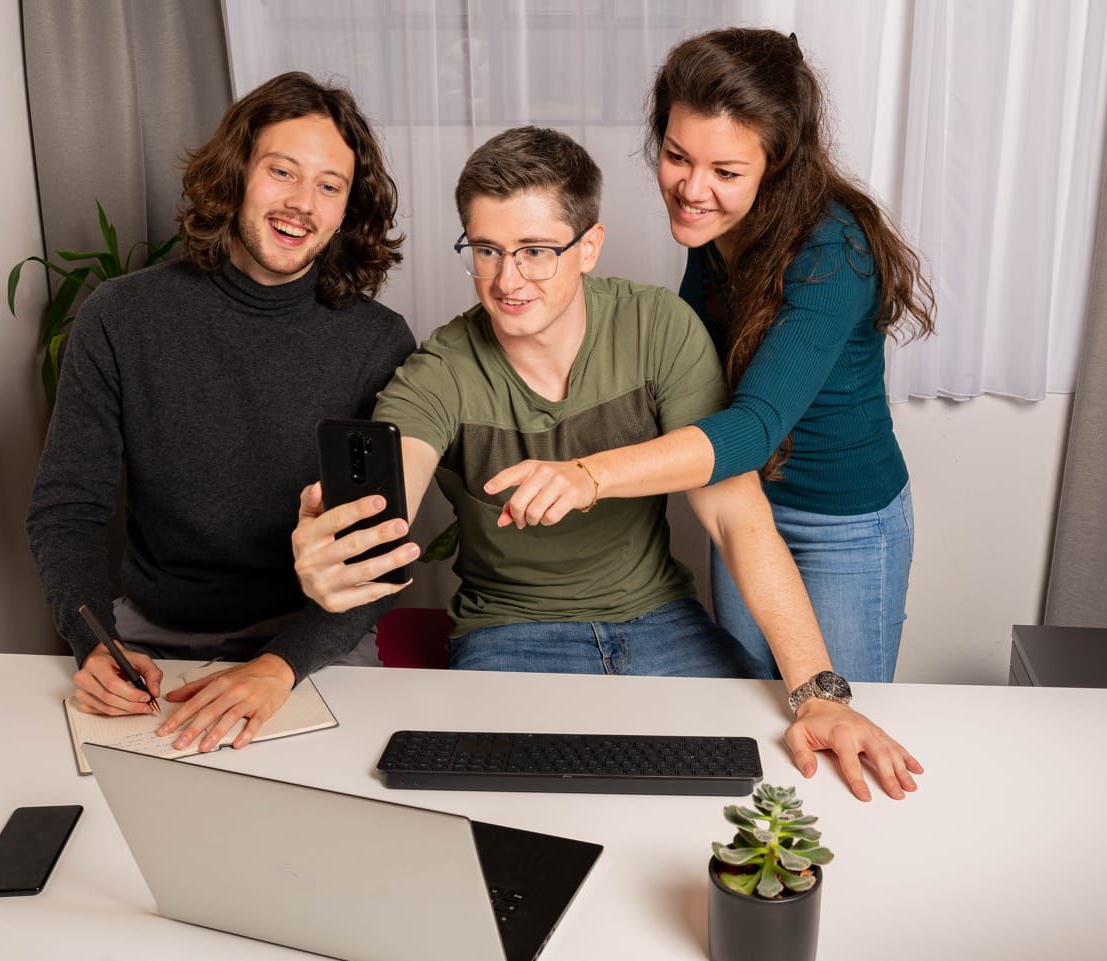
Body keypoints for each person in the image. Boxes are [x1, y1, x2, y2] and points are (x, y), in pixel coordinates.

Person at [293, 127, 921, 801]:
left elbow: (738, 518)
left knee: (773, 792)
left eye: (535, 251)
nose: (508, 280)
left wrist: (819, 695)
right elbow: (398, 477)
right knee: (517, 811)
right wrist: (342, 555)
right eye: (486, 250)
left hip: (663, 624)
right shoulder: (441, 370)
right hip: (512, 636)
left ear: (587, 246)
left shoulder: (660, 329)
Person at [484, 29, 936, 685]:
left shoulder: (835, 248)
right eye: (676, 157)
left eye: (726, 172)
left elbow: (751, 428)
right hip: (741, 501)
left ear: (777, 165)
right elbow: (685, 369)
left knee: (837, 712)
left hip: (843, 525)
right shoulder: (716, 227)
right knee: (752, 707)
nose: (693, 189)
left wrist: (587, 473)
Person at [27, 72, 414, 754]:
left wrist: (278, 665)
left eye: (330, 185)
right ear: (235, 173)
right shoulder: (120, 317)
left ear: (348, 208)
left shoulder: (376, 342)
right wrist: (96, 645)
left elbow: (375, 553)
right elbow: (67, 508)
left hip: (314, 639)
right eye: (282, 171)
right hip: (152, 642)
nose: (302, 202)